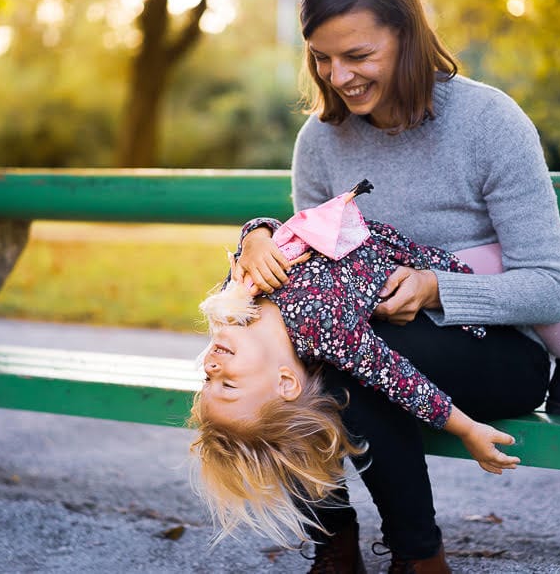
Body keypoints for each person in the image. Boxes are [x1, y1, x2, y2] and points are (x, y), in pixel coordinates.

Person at [232, 0, 560, 572]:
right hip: (369, 341)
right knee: (270, 363)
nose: (338, 76)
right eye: (321, 57)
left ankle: (419, 558)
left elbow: (547, 288)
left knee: (347, 367)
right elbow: (310, 266)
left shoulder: (489, 121)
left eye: (358, 55)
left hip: (499, 351)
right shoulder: (320, 141)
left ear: (407, 35)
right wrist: (258, 237)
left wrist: (435, 289)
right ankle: (333, 542)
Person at [190, 180, 519, 554]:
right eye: (228, 385)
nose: (211, 367)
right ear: (285, 383)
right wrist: (468, 429)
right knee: (489, 267)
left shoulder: (232, 304)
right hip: (418, 266)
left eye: (208, 381)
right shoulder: (323, 329)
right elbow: (400, 379)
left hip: (356, 230)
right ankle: (351, 545)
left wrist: (255, 238)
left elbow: (277, 230)